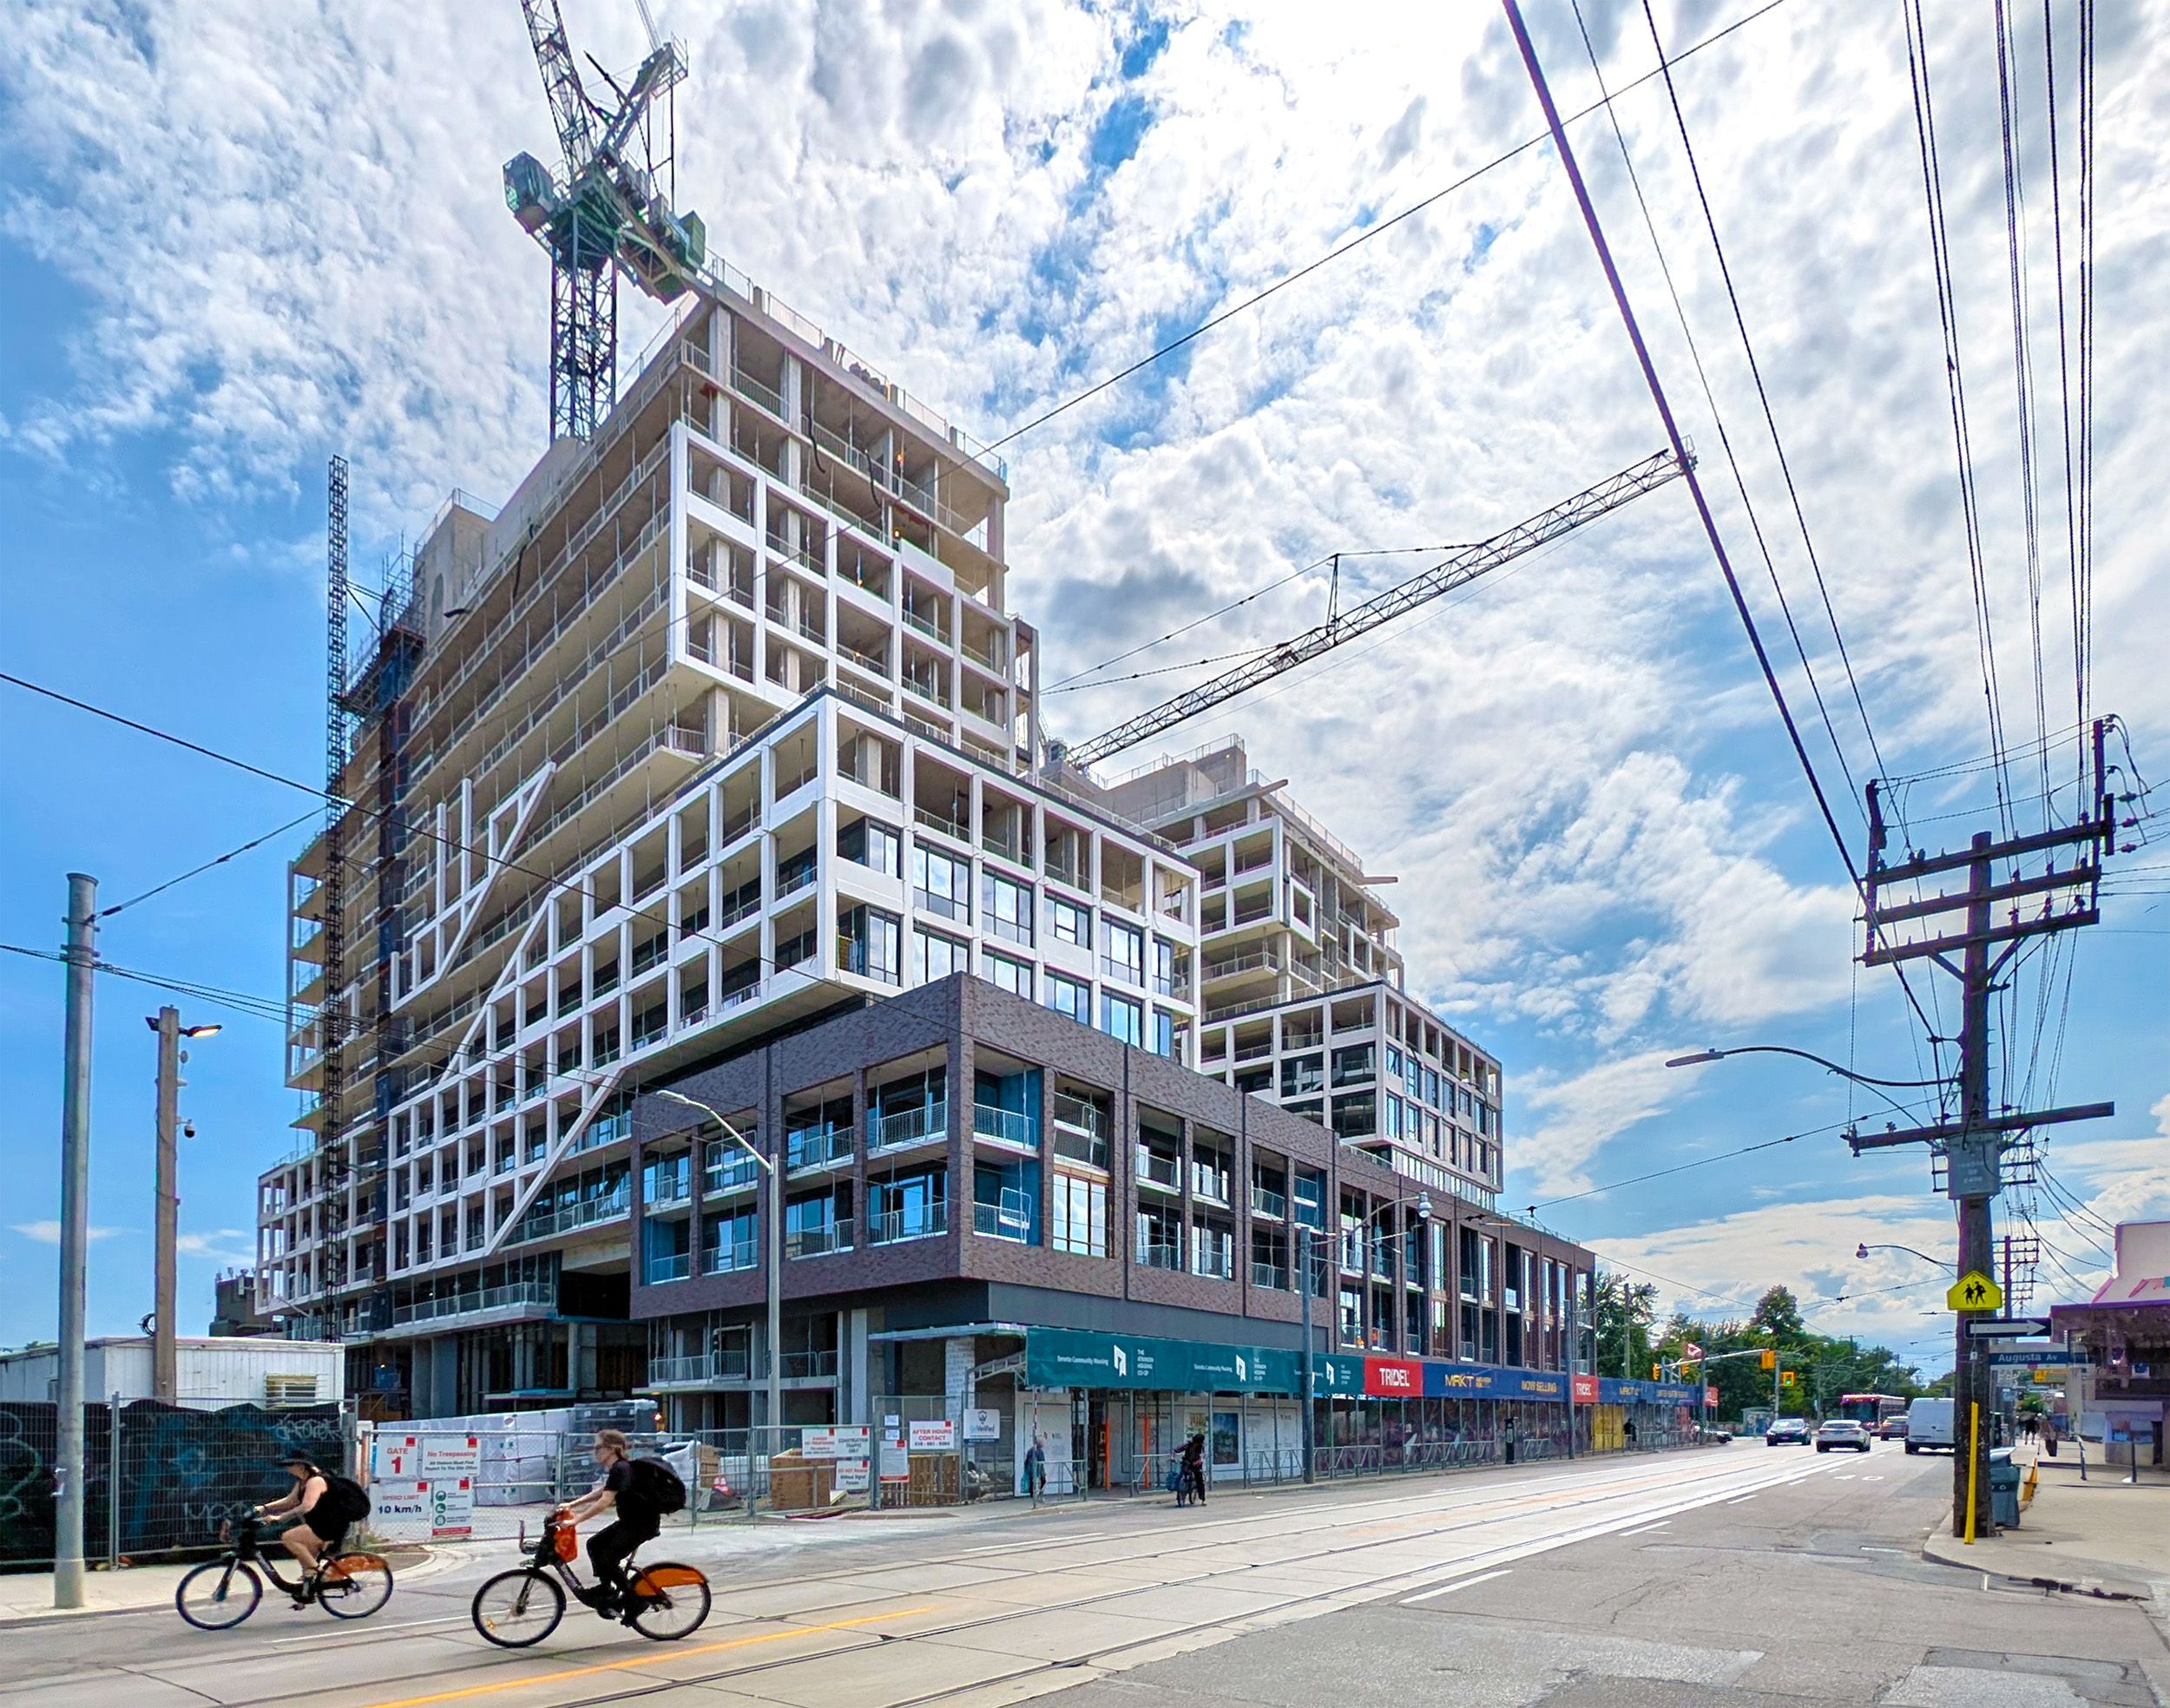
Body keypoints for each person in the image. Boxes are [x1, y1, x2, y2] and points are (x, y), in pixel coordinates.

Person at [563, 1429, 661, 1618]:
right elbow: (603, 1490)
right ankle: (607, 1589)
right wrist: (572, 1504)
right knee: (594, 1544)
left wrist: (576, 1520)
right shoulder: (619, 1469)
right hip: (630, 1522)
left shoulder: (621, 1468)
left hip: (641, 1525)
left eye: (598, 1447)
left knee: (608, 1559)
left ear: (612, 1448)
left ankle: (635, 1600)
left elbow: (604, 1501)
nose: (595, 1451)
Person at [253, 1452, 346, 1605]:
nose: (287, 1469)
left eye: (290, 1465)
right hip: (318, 1525)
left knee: (289, 1537)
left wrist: (280, 1518)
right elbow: (290, 1501)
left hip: (330, 1526)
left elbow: (306, 1506)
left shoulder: (316, 1481)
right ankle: (307, 1593)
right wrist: (264, 1508)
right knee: (305, 1559)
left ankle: (322, 1573)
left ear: (302, 1466)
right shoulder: (302, 1482)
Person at [1179, 1432, 1207, 1508]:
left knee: (1199, 1481)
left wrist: (1197, 1462)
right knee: (1180, 1476)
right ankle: (1180, 1495)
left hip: (1196, 1464)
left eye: (1197, 1443)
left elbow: (1202, 1457)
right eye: (1195, 1442)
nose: (1195, 1444)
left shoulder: (1201, 1447)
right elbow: (1177, 1449)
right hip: (1187, 1463)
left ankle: (1203, 1499)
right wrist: (1172, 1456)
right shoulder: (1188, 1444)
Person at [1023, 1435, 1047, 1501]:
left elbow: (1027, 1461)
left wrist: (1026, 1468)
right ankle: (1037, 1495)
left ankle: (1033, 1495)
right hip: (1037, 1470)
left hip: (1032, 1470)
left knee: (1033, 1482)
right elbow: (1042, 1461)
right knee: (1042, 1481)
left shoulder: (1031, 1450)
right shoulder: (1038, 1451)